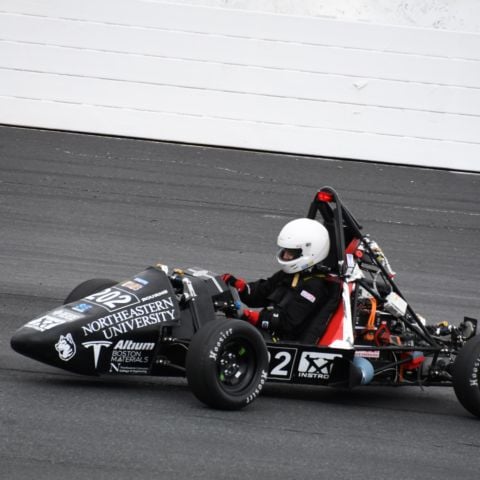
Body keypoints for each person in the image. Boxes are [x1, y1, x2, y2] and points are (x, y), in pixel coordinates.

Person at [222, 218, 337, 342]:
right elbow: (260, 293)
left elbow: (288, 323)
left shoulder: (314, 287)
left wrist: (255, 317)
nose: (286, 256)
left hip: (283, 342)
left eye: (291, 253)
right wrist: (241, 288)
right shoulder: (289, 275)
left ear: (310, 253)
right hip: (267, 332)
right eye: (285, 251)